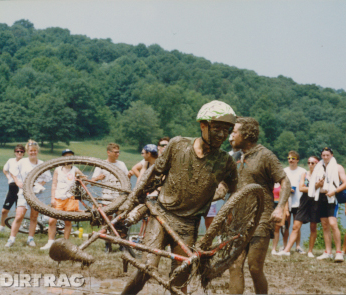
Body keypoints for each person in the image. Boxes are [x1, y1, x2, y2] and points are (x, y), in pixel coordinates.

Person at [121, 100, 238, 295]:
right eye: (217, 128)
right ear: (203, 125)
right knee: (146, 270)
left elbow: (234, 188)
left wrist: (218, 192)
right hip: (161, 215)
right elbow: (153, 174)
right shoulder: (178, 145)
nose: (222, 134)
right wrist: (129, 205)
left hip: (188, 225)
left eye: (226, 130)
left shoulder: (225, 161)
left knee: (179, 279)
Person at [228, 117, 290, 295]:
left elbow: (285, 182)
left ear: (246, 134)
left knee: (254, 267)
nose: (230, 136)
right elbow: (226, 185)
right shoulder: (235, 157)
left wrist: (280, 208)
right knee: (234, 265)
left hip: (261, 217)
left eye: (234, 132)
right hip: (238, 219)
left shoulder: (265, 155)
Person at [5, 140, 52, 247]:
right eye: (31, 151)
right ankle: (11, 239)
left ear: (37, 151)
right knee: (19, 215)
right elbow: (12, 171)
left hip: (37, 193)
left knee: (34, 216)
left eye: (35, 151)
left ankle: (30, 239)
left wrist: (40, 183)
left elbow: (48, 177)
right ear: (27, 151)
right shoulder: (22, 162)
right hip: (24, 192)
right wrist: (17, 182)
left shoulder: (41, 164)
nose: (33, 152)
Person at [309, 147, 346, 262]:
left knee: (333, 223)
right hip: (321, 197)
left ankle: (338, 252)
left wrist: (334, 191)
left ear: (331, 155)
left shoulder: (337, 167)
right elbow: (313, 185)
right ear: (321, 156)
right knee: (325, 225)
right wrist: (318, 184)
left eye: (327, 155)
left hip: (332, 197)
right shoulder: (318, 168)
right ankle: (328, 252)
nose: (325, 157)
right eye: (323, 155)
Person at [40, 149, 83, 250]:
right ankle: (50, 242)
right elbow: (54, 184)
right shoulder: (57, 169)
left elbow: (84, 179)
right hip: (58, 197)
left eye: (71, 156)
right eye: (66, 156)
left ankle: (65, 243)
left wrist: (82, 179)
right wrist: (52, 198)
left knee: (67, 221)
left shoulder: (75, 169)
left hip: (70, 198)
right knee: (52, 220)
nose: (68, 158)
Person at [278, 156, 320, 257]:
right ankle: (287, 249)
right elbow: (301, 188)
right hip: (304, 201)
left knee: (313, 227)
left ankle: (310, 251)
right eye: (308, 163)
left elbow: (323, 189)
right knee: (296, 226)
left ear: (317, 164)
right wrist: (315, 186)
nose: (310, 165)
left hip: (316, 201)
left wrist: (310, 188)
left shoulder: (320, 175)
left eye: (313, 163)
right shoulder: (304, 174)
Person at [91, 143, 130, 252]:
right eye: (115, 152)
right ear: (109, 152)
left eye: (118, 152)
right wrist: (98, 177)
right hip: (106, 197)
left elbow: (127, 179)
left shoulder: (121, 164)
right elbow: (92, 182)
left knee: (121, 220)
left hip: (119, 197)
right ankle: (108, 244)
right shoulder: (102, 164)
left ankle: (122, 244)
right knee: (106, 221)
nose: (118, 154)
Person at [276, 151, 306, 255]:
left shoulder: (302, 171)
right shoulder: (284, 171)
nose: (291, 160)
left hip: (299, 201)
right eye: (289, 158)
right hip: (287, 201)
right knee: (285, 224)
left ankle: (298, 246)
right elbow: (280, 185)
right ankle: (284, 245)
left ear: (297, 160)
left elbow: (305, 184)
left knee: (296, 225)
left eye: (293, 158)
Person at [0, 145, 25, 232]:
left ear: (24, 153)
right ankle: (2, 227)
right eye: (17, 151)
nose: (19, 153)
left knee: (19, 212)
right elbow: (5, 170)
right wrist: (8, 178)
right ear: (15, 152)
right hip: (12, 187)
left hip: (22, 188)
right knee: (4, 210)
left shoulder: (26, 162)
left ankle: (17, 228)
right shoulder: (10, 161)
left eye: (21, 151)